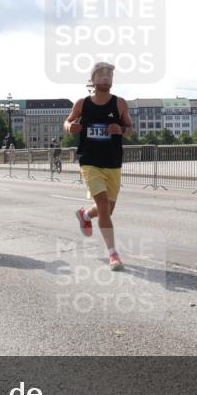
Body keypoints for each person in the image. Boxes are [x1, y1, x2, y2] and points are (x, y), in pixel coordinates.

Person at [66, 62, 133, 271]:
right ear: (92, 79)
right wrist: (70, 127)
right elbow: (67, 122)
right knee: (103, 206)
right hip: (90, 161)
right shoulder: (82, 103)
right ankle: (113, 254)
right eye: (101, 74)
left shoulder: (120, 103)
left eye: (109, 74)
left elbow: (130, 129)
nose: (106, 77)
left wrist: (120, 129)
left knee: (108, 210)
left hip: (113, 162)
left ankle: (85, 214)